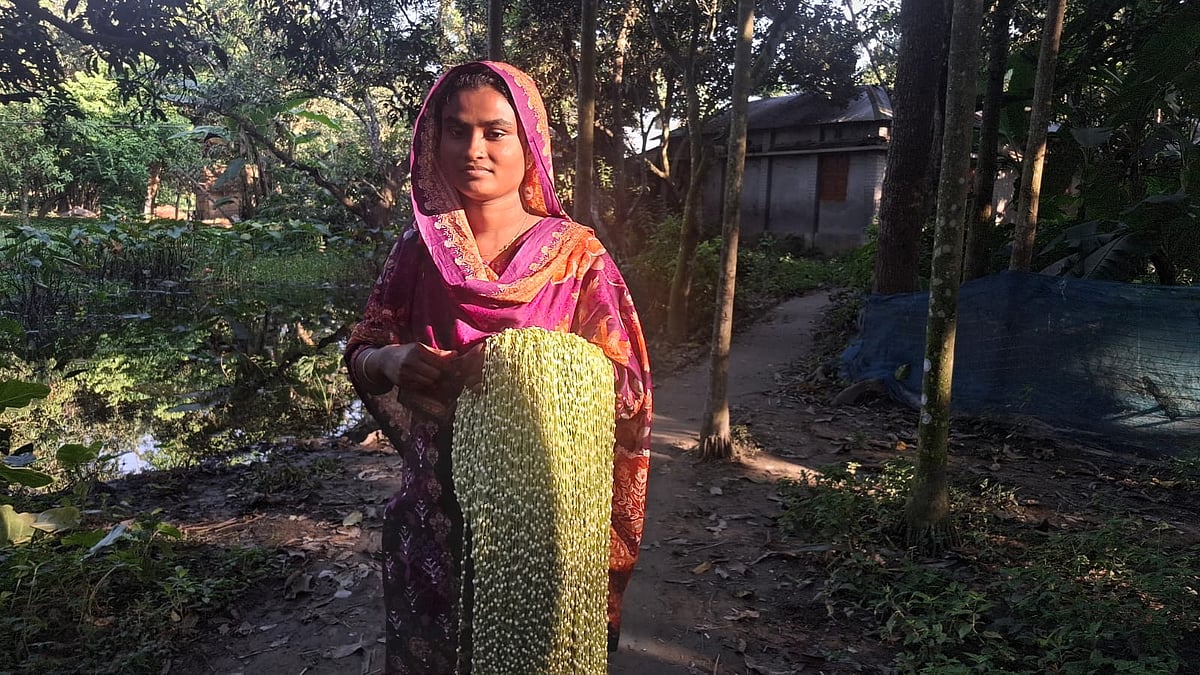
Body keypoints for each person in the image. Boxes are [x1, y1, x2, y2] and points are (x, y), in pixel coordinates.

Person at [344, 61, 652, 675]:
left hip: (540, 525)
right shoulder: (417, 250)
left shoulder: (575, 256)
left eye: (495, 131)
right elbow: (363, 346)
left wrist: (522, 369)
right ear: (433, 140)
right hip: (431, 517)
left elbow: (629, 388)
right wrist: (389, 358)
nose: (474, 150)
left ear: (529, 142)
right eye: (456, 131)